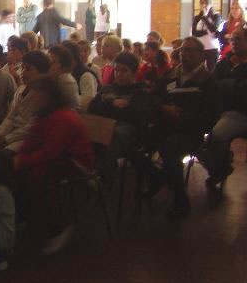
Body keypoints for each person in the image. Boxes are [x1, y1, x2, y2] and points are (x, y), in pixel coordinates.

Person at [15, 76, 92, 253]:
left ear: (48, 95)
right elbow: (32, 140)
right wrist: (20, 157)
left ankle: (60, 227)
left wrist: (22, 160)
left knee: (40, 174)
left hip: (77, 161)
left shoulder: (63, 117)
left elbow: (51, 151)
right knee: (19, 169)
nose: (33, 96)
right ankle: (25, 215)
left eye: (37, 92)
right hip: (60, 156)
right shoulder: (44, 114)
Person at [145, 37, 220, 217]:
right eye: (182, 50)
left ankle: (180, 199)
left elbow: (211, 116)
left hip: (191, 132)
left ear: (201, 55)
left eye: (189, 50)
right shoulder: (171, 75)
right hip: (166, 126)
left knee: (169, 148)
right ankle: (158, 177)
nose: (183, 54)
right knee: (137, 140)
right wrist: (164, 108)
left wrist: (182, 117)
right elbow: (153, 96)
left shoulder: (208, 81)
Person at [88, 52, 153, 182]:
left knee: (113, 134)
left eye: (124, 70)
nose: (119, 74)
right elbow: (92, 108)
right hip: (105, 128)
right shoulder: (108, 88)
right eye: (117, 70)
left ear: (134, 73)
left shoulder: (141, 92)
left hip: (129, 135)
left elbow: (132, 116)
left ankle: (103, 179)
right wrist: (112, 103)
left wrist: (106, 108)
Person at [205, 24, 247, 186]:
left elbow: (242, 90)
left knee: (219, 133)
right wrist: (231, 84)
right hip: (218, 110)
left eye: (238, 39)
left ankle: (219, 168)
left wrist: (224, 84)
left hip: (239, 113)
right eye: (232, 39)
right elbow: (210, 83)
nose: (233, 42)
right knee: (192, 127)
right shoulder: (226, 61)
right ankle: (220, 164)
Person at [0, 50, 51, 152]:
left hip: (26, 139)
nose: (23, 72)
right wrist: (0, 133)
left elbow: (31, 127)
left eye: (29, 69)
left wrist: (7, 139)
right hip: (10, 133)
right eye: (23, 68)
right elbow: (10, 117)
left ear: (42, 73)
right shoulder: (20, 90)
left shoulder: (43, 96)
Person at [192, 0, 222, 72]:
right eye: (202, 3)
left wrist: (205, 16)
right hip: (200, 49)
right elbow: (194, 33)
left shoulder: (216, 16)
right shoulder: (197, 18)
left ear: (211, 5)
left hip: (212, 49)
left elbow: (213, 29)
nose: (204, 5)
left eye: (206, 3)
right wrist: (206, 31)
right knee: (199, 71)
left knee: (211, 71)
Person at [48, 45, 80, 110]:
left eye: (53, 61)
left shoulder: (65, 81)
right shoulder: (56, 77)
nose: (48, 64)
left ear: (61, 64)